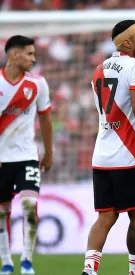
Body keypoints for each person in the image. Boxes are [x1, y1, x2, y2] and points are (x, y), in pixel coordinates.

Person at [81, 20, 135, 275]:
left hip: (102, 156)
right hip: (129, 155)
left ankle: (89, 269)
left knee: (105, 217)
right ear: (127, 43)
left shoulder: (99, 68)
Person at [0, 35, 53, 275]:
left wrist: (49, 152)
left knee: (30, 205)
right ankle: (6, 263)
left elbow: (45, 117)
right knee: (2, 211)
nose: (33, 58)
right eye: (29, 54)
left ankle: (27, 262)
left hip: (27, 157)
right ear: (14, 54)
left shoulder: (38, 84)